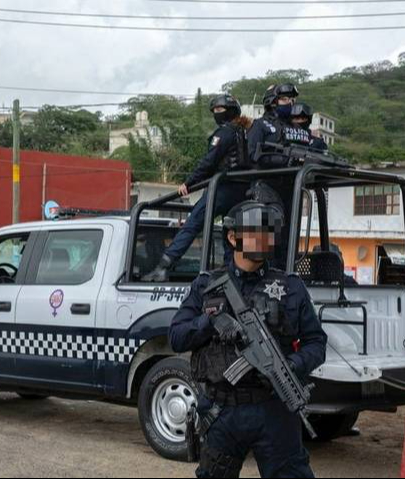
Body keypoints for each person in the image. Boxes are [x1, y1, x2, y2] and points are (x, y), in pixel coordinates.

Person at [169, 200, 327, 478]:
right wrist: (210, 322)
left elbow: (317, 343)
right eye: (255, 232)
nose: (263, 239)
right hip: (222, 410)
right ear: (233, 237)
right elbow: (177, 338)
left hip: (274, 409)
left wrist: (294, 365)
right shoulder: (207, 285)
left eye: (267, 233)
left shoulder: (290, 287)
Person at [143, 94, 252, 282]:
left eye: (220, 110)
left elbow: (209, 162)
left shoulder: (224, 133)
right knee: (231, 233)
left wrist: (189, 183)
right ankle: (231, 273)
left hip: (222, 188)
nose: (217, 113)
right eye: (215, 111)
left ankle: (163, 266)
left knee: (192, 224)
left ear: (230, 111)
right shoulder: (244, 133)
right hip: (241, 192)